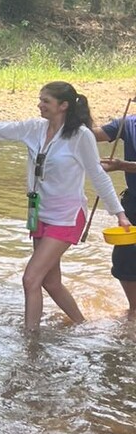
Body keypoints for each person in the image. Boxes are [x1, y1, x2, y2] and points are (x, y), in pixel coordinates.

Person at [0, 81, 131, 332]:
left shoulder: (80, 136)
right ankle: (84, 326)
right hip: (39, 213)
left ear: (63, 106)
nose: (39, 105)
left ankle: (30, 342)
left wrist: (120, 214)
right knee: (50, 282)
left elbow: (98, 175)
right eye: (40, 100)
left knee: (31, 278)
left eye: (45, 101)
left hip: (67, 216)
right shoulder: (33, 128)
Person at [93, 112, 136, 318]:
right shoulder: (128, 123)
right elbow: (91, 135)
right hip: (134, 202)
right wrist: (76, 118)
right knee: (125, 258)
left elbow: (121, 165)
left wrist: (121, 166)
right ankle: (134, 309)